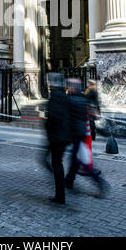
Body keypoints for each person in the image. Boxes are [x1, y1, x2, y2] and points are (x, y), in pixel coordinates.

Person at [65, 78, 109, 198]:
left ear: (73, 88)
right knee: (75, 159)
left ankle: (100, 183)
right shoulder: (83, 99)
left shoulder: (70, 100)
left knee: (80, 161)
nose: (68, 88)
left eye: (69, 86)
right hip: (82, 132)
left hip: (75, 133)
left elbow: (67, 118)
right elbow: (87, 116)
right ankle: (69, 181)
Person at [45, 73, 71, 205]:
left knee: (56, 164)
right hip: (64, 136)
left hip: (56, 138)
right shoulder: (65, 96)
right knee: (56, 163)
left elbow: (52, 118)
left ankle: (60, 196)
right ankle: (60, 193)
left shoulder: (55, 96)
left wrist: (49, 131)